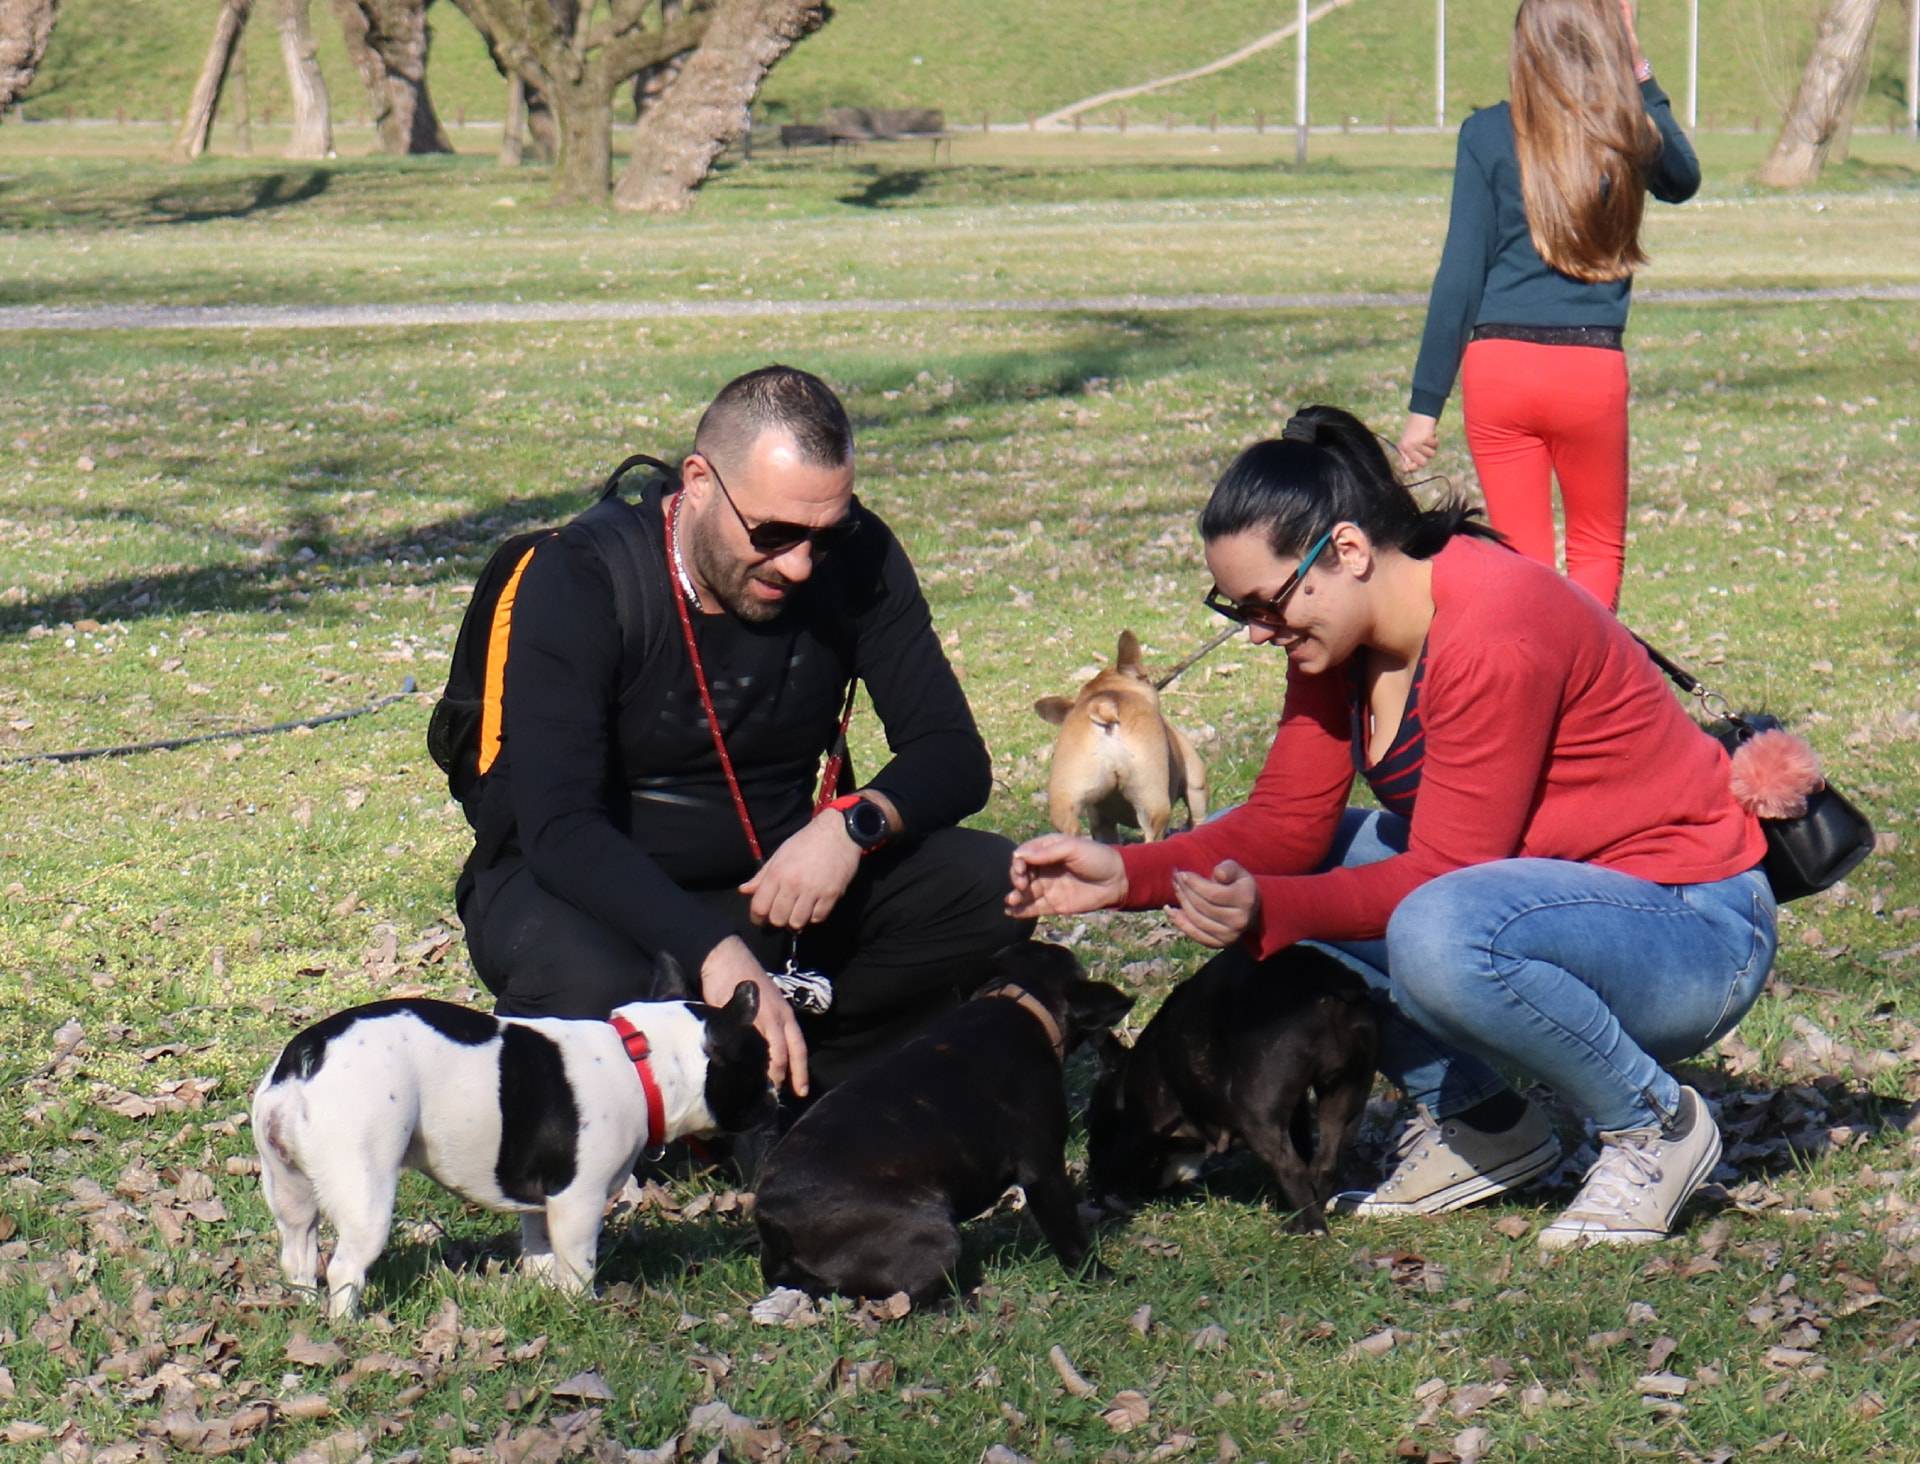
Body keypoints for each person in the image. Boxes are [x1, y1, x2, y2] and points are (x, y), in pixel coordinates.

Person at [1009, 405, 1778, 1250]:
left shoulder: (1493, 626)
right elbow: (1284, 825)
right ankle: (1483, 1124)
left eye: (1266, 605)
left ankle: (1654, 1128)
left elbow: (1447, 870)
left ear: (1345, 551)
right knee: (1257, 848)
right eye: (1239, 614)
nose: (1261, 633)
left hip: (1690, 930)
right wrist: (1128, 875)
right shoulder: (1336, 639)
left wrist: (1271, 910)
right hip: (1541, 899)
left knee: (1436, 927)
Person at [457, 364, 1028, 1099]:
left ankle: (794, 1082)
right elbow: (559, 827)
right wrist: (711, 950)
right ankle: (667, 1096)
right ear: (698, 481)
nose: (799, 564)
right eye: (773, 533)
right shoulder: (582, 576)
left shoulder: (857, 560)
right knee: (592, 978)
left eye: (827, 532)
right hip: (590, 893)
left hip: (775, 887)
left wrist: (851, 827)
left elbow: (953, 756)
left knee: (992, 886)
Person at [1397, 0, 1700, 612]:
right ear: (1604, 39)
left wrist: (1425, 407)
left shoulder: (1484, 134)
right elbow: (1683, 178)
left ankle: (1531, 697)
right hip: (1589, 368)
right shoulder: (1626, 128)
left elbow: (1459, 275)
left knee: (1521, 566)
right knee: (1595, 550)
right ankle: (1585, 692)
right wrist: (1637, 66)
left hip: (1498, 370)